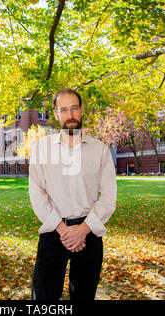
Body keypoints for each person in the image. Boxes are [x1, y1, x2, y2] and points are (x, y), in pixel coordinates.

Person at [29, 87, 117, 300]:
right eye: (64, 110)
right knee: (44, 299)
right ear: (57, 114)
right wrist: (63, 230)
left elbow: (108, 197)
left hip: (89, 234)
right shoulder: (42, 149)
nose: (70, 115)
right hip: (53, 233)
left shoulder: (100, 150)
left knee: (84, 297)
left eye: (74, 108)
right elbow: (37, 195)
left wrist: (82, 230)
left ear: (82, 110)